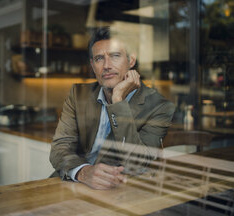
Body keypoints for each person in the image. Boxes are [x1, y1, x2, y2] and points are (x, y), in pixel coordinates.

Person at [49, 27, 175, 190]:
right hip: (73, 181)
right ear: (93, 66)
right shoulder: (78, 94)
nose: (107, 65)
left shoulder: (160, 107)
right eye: (99, 58)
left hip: (118, 191)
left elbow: (137, 164)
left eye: (115, 55)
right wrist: (84, 172)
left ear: (131, 60)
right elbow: (60, 148)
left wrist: (118, 101)